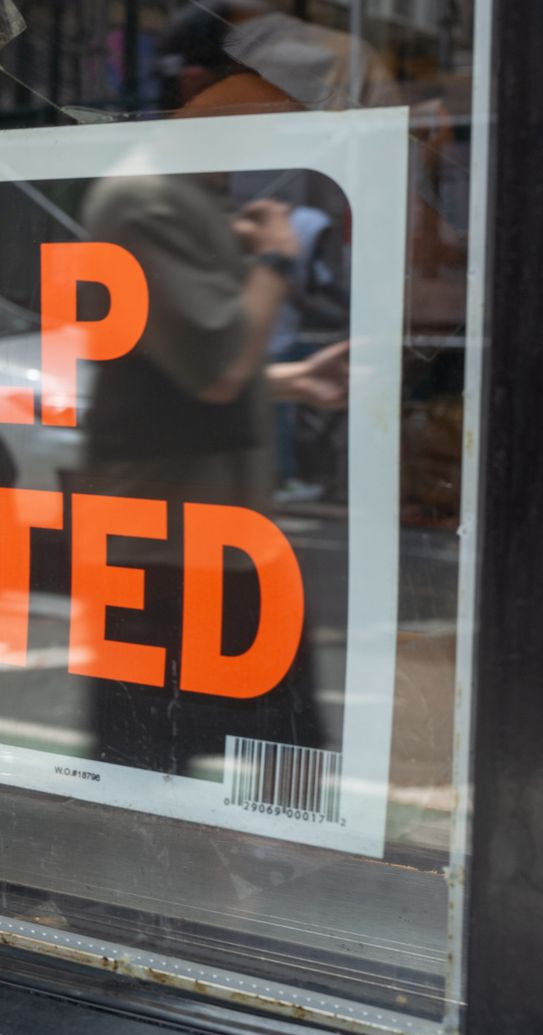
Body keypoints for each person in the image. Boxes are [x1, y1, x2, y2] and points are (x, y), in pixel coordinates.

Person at [78, 4, 352, 775]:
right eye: (265, 90)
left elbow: (174, 377)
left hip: (217, 528)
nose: (284, 111)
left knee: (277, 760)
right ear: (198, 88)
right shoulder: (144, 199)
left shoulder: (190, 196)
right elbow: (218, 363)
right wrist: (276, 259)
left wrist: (294, 380)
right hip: (170, 538)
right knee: (148, 762)